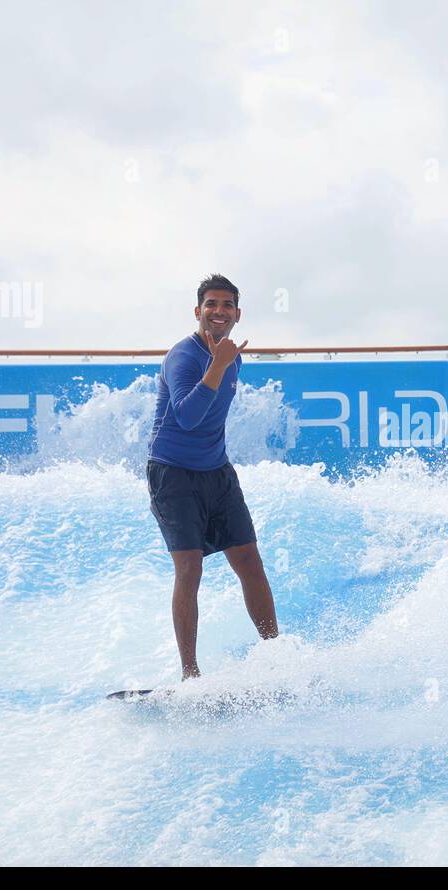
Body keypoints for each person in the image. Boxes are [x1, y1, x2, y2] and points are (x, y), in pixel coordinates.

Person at [146, 273, 278, 679]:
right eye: (211, 305)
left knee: (250, 563)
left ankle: (276, 660)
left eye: (226, 306)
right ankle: (190, 675)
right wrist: (216, 367)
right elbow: (186, 418)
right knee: (190, 569)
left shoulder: (232, 355)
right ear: (198, 311)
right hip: (173, 474)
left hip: (216, 472)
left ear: (237, 314)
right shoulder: (183, 356)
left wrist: (223, 362)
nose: (218, 312)